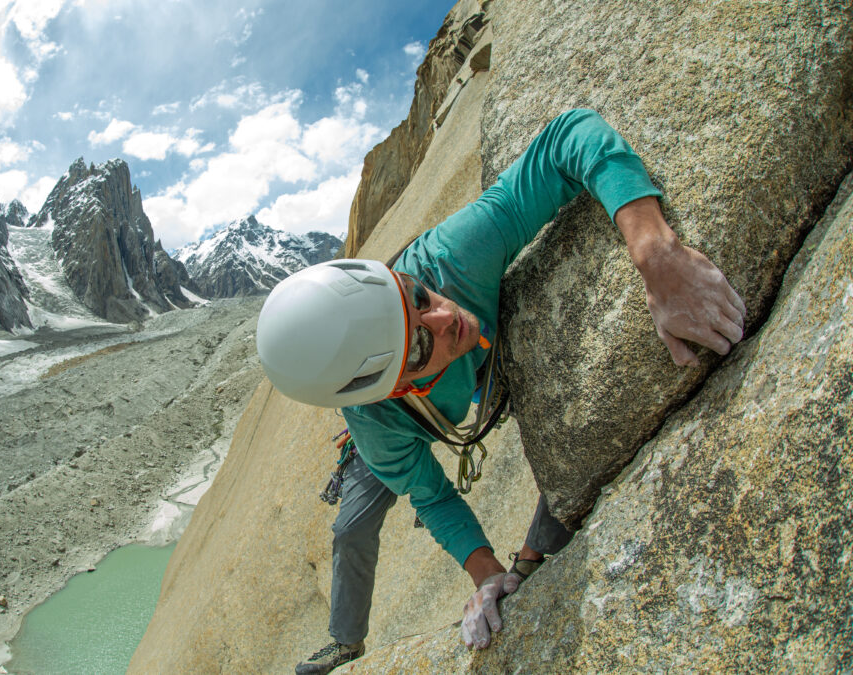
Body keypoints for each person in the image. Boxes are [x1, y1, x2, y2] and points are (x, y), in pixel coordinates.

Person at [256, 109, 746, 674]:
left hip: (469, 389)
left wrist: (656, 253)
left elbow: (570, 137)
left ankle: (534, 554)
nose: (446, 318)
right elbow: (433, 496)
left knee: (574, 422)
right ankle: (347, 639)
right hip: (394, 434)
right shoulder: (378, 424)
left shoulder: (450, 259)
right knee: (352, 526)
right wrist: (485, 572)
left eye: (416, 298)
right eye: (419, 347)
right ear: (386, 389)